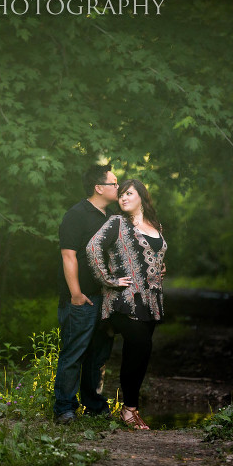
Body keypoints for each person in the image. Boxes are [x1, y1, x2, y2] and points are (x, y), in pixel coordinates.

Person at [86, 179, 166, 430]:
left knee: (140, 352)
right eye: (121, 194)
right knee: (140, 344)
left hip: (150, 300)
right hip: (123, 300)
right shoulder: (117, 222)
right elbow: (93, 247)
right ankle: (129, 411)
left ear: (142, 196)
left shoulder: (156, 225)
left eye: (129, 193)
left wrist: (160, 268)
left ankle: (130, 409)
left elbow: (155, 255)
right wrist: (107, 279)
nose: (123, 198)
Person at [53, 164, 120, 424]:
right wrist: (76, 294)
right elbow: (68, 256)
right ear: (98, 187)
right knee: (74, 352)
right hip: (82, 298)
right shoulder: (76, 215)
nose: (118, 187)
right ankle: (64, 409)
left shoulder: (111, 216)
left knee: (98, 354)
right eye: (114, 183)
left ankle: (93, 405)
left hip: (106, 298)